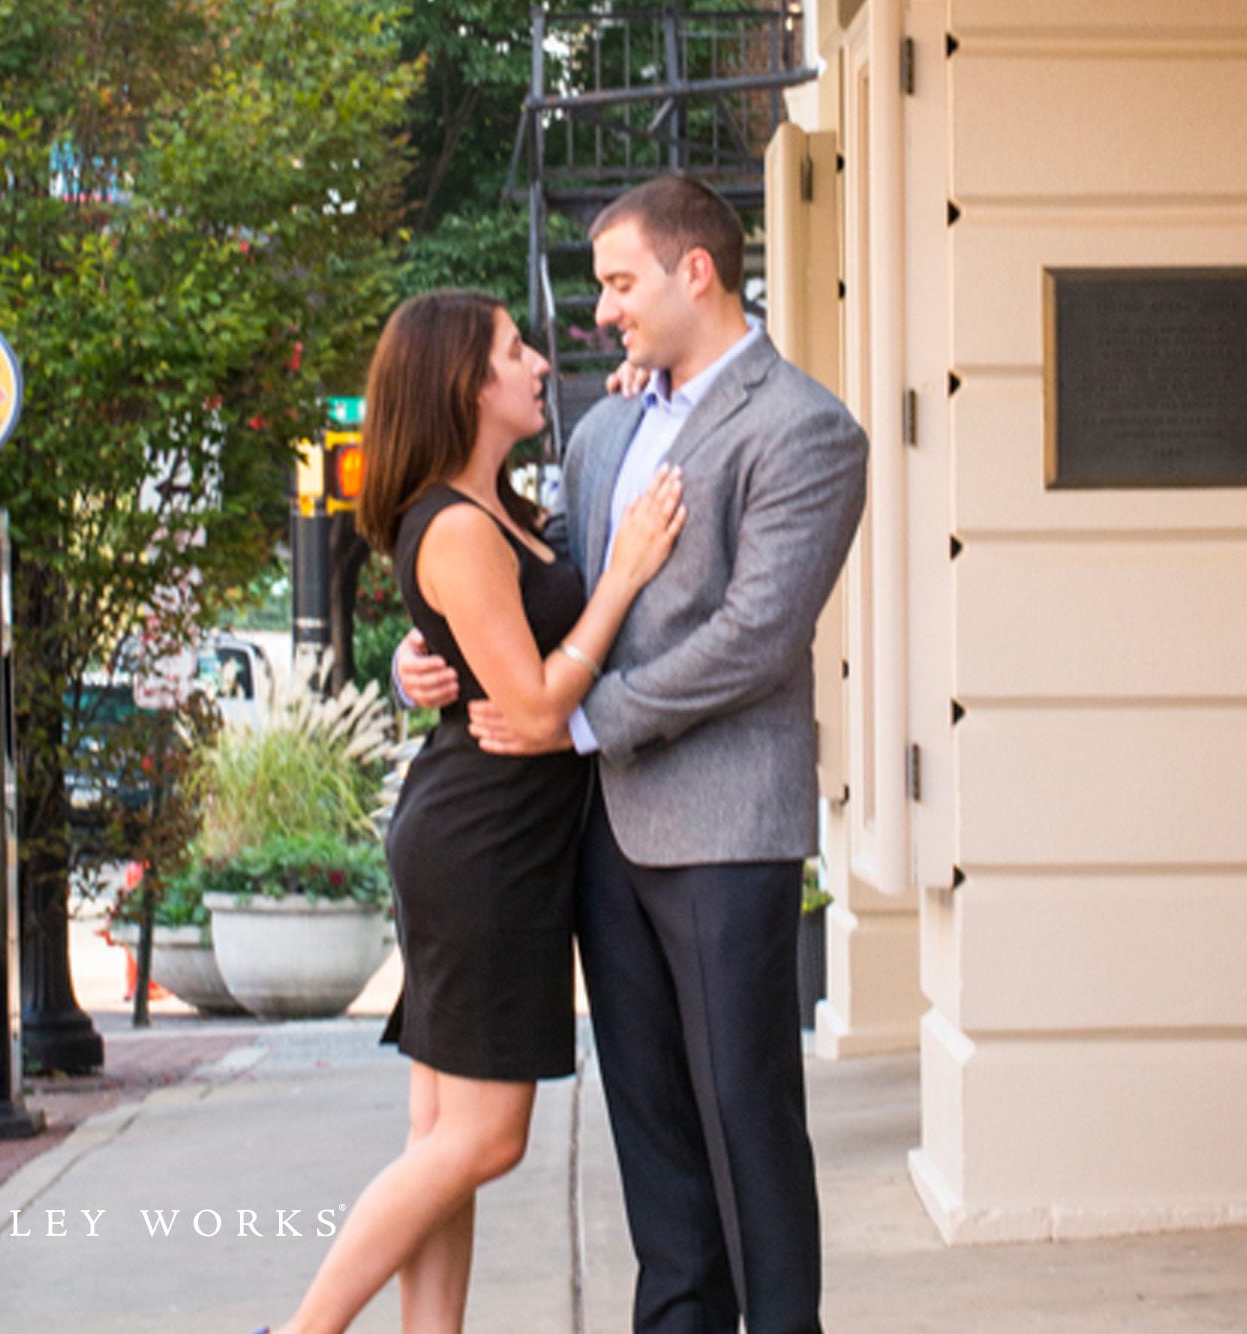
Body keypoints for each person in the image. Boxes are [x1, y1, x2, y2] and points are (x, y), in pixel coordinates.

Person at [399, 175, 868, 1333]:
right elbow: (533, 580)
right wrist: (436, 652)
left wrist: (585, 718)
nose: (602, 311)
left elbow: (756, 635)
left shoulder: (806, 428)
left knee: (744, 1114)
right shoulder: (605, 428)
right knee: (650, 1129)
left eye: (619, 282)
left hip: (721, 830)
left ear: (691, 270)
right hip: (598, 834)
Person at [265, 289, 685, 1334]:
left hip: (493, 829)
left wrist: (643, 388)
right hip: (484, 842)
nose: (539, 361)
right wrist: (625, 574)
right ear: (465, 381)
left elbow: (498, 642)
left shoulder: (499, 508)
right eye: (514, 349)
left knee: (441, 1137)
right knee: (486, 1138)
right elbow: (538, 704)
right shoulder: (453, 528)